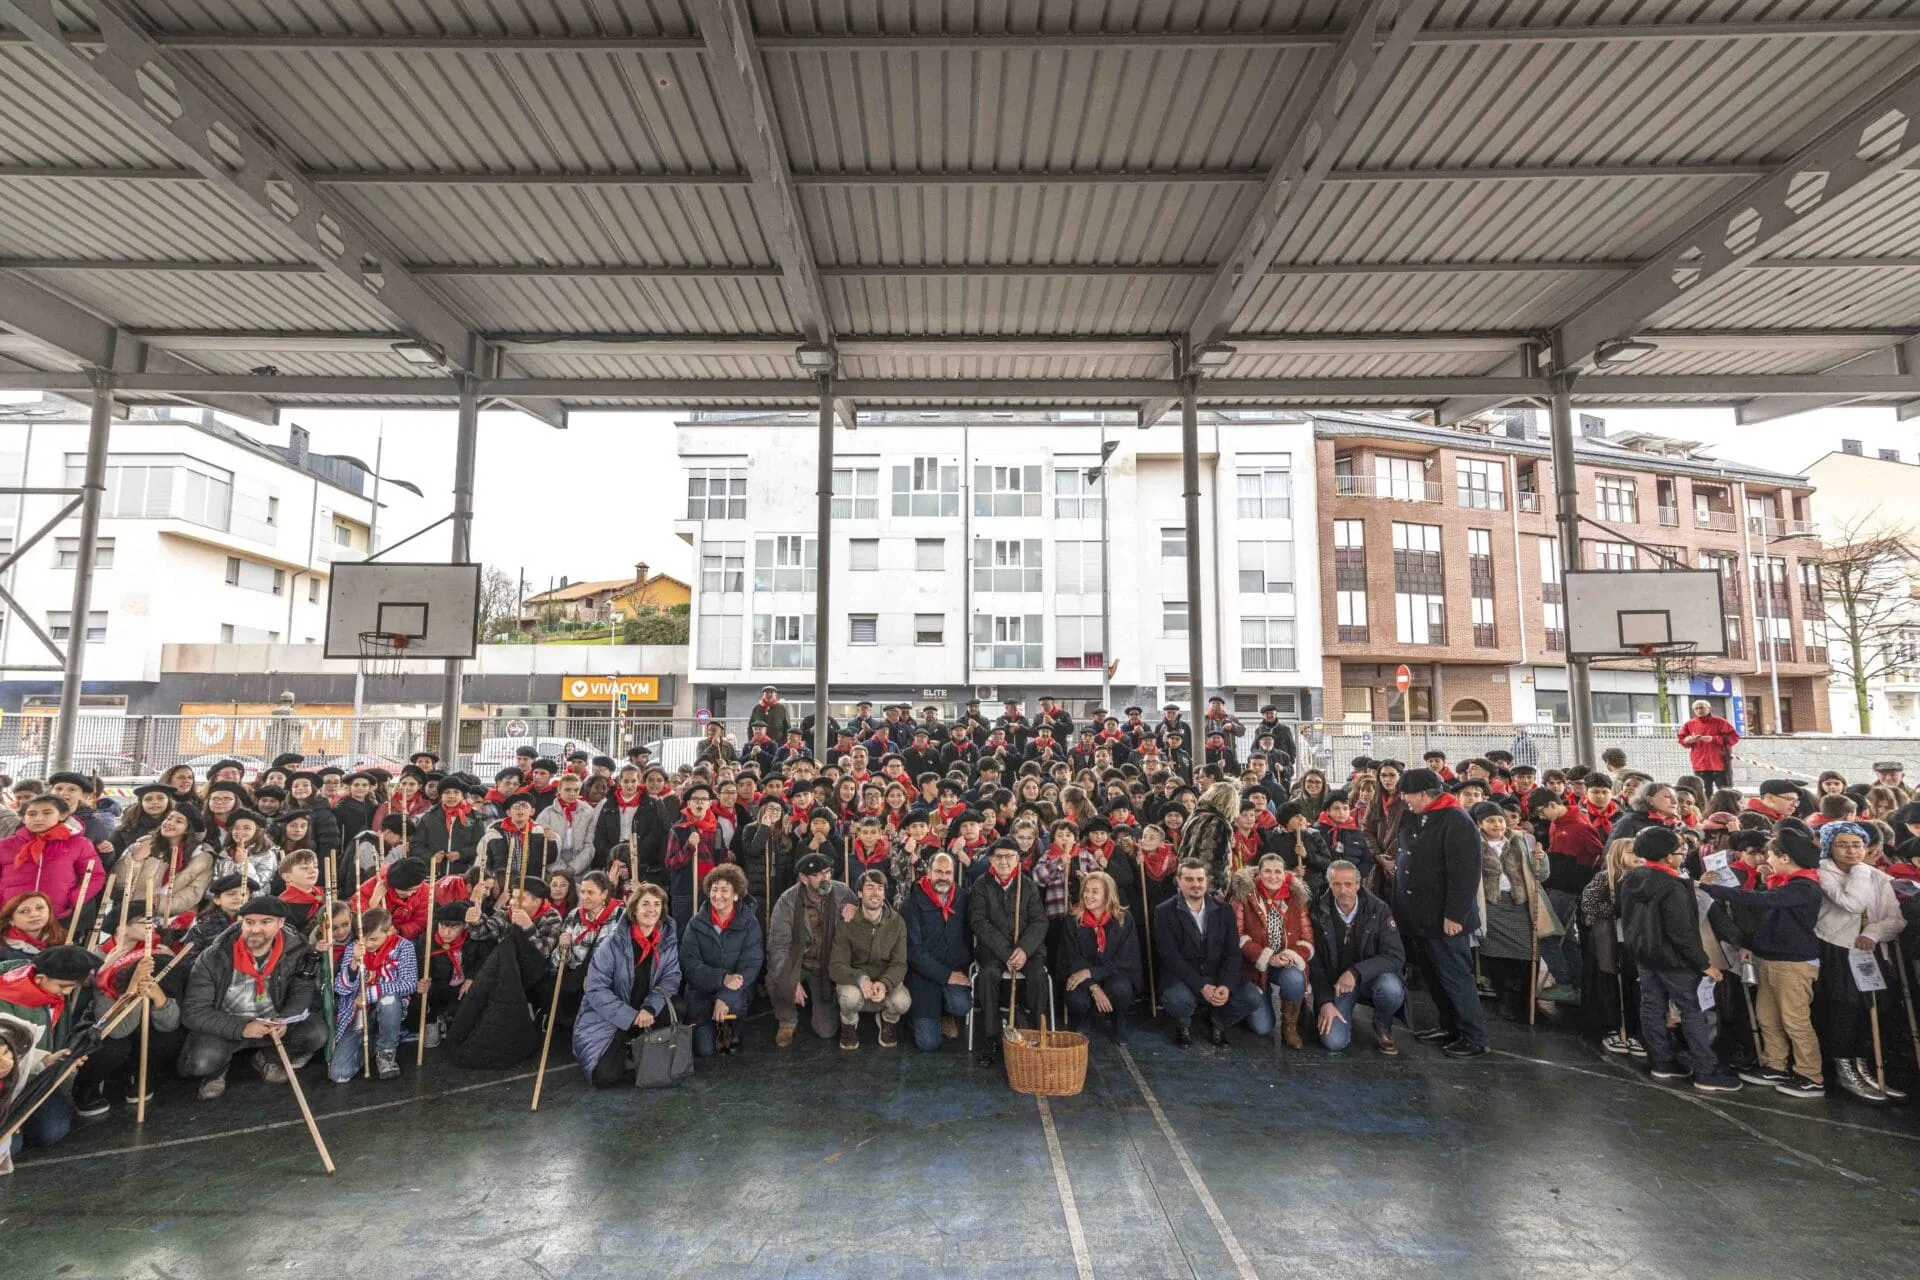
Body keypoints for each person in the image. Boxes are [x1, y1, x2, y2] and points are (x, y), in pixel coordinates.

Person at [1700, 822, 1827, 1097]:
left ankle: (1810, 1074)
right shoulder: (1783, 883)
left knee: (1795, 1020)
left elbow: (1758, 901)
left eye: (1770, 854)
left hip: (1794, 963)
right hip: (1769, 958)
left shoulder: (1805, 886)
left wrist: (1709, 889)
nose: (1766, 859)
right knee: (1767, 1017)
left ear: (1785, 858)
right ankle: (1775, 1064)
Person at [1618, 827, 1742, 1092]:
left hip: (1644, 956)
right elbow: (1681, 932)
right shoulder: (1673, 886)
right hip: (1675, 961)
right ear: (1666, 856)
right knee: (1692, 1010)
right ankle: (1706, 1072)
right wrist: (1704, 964)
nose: (1683, 855)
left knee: (1652, 1006)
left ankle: (1661, 1062)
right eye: (1679, 852)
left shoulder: (1632, 878)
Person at [178, 896, 328, 1100]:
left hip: (272, 1024)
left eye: (265, 922)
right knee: (202, 1062)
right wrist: (242, 1027)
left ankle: (267, 1058)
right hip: (228, 1025)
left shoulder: (296, 950)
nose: (255, 929)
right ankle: (218, 1070)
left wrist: (285, 1018)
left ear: (280, 923)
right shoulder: (214, 956)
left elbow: (302, 988)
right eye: (249, 922)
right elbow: (193, 1012)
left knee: (316, 1032)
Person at [1392, 768, 1488, 1059]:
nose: (1404, 800)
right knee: (1433, 976)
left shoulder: (1456, 820)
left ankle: (1473, 1036)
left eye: (1407, 794)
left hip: (1444, 918)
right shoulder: (1416, 816)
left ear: (1423, 794)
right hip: (1419, 915)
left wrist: (1455, 915)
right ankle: (1449, 1026)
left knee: (1455, 976)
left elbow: (1465, 873)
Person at [1813, 821, 1906, 1102]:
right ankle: (1843, 1069)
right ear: (1829, 847)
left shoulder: (1879, 877)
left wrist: (1873, 933)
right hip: (1837, 949)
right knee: (1843, 1010)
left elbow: (1896, 918)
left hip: (1869, 950)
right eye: (1842, 845)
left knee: (1870, 1009)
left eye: (1857, 845)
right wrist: (1861, 871)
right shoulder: (1823, 873)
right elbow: (1852, 903)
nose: (1852, 851)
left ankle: (1864, 1067)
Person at [573, 883, 681, 1087]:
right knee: (603, 1077)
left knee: (679, 1005)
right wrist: (631, 1017)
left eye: (657, 904)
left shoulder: (667, 941)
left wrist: (650, 1007)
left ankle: (648, 1048)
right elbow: (596, 990)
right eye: (645, 904)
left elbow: (671, 978)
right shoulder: (611, 944)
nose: (652, 909)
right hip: (612, 1015)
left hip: (646, 1010)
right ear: (634, 910)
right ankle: (628, 1048)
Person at [1155, 858, 1263, 1047]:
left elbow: (1232, 953)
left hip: (1217, 973)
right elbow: (1171, 957)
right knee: (1176, 999)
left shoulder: (1225, 910)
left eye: (1200, 879)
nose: (1196, 884)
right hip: (1183, 976)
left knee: (1252, 997)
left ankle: (1218, 1023)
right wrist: (1201, 986)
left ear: (1206, 881)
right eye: (1189, 879)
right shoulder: (1164, 912)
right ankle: (1183, 1026)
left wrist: (1226, 985)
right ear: (1178, 881)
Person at [1474, 801, 1562, 1021]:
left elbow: (1541, 875)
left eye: (1500, 820)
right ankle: (1505, 1001)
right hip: (1491, 906)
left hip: (1519, 904)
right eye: (1491, 821)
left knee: (1529, 954)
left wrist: (1542, 860)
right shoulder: (1472, 843)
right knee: (1495, 955)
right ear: (1480, 824)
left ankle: (1528, 1002)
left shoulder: (1521, 840)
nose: (1497, 824)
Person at [1309, 859, 1406, 1054]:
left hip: (1371, 979)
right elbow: (1314, 962)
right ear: (1329, 885)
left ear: (1358, 885)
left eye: (1348, 884)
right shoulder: (1317, 912)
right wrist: (1325, 1002)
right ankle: (1340, 1011)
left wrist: (1355, 972)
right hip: (1336, 985)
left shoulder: (1379, 909)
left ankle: (1383, 1026)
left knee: (1391, 988)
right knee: (1333, 1042)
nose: (1343, 890)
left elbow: (1395, 956)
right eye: (1337, 884)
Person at [967, 841, 1049, 1065]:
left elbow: (1039, 921)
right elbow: (979, 922)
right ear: (991, 860)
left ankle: (1037, 1034)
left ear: (1017, 859)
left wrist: (1023, 949)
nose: (1004, 861)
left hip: (1027, 951)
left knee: (1038, 975)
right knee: (988, 976)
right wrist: (1006, 953)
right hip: (993, 951)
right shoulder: (981, 885)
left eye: (1009, 856)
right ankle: (991, 1037)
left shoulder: (1028, 885)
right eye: (999, 856)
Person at [766, 852, 857, 1047]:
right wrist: (791, 980)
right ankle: (787, 1021)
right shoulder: (787, 900)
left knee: (826, 1031)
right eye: (819, 874)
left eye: (828, 872)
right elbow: (778, 946)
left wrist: (854, 906)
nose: (826, 877)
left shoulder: (842, 892)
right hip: (797, 962)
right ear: (804, 878)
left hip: (826, 966)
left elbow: (865, 905)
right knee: (776, 978)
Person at [680, 865, 762, 1058]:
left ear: (736, 894)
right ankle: (711, 1025)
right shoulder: (695, 923)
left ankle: (734, 1029)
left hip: (736, 990)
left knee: (735, 1007)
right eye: (714, 889)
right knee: (704, 1050)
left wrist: (725, 996)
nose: (718, 895)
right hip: (702, 990)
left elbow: (751, 965)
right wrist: (722, 978)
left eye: (725, 890)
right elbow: (689, 964)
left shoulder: (750, 923)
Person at [1231, 854, 1313, 1047]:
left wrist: (1290, 956)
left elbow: (1307, 939)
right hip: (1253, 966)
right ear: (1259, 873)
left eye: (1278, 872)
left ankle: (1290, 1027)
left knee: (1295, 978)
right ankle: (1252, 1000)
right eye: (1268, 871)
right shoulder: (1244, 896)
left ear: (1285, 874)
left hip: (1283, 962)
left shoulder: (1296, 898)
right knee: (1262, 1027)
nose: (1273, 876)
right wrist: (1264, 956)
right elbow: (1237, 935)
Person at [330, 906, 418, 1082]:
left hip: (391, 1010)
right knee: (339, 1074)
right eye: (362, 938)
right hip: (358, 1015)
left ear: (390, 931)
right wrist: (354, 961)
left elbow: (409, 984)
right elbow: (341, 989)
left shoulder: (404, 947)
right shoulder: (354, 949)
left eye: (374, 939)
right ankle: (374, 1042)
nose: (367, 944)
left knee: (388, 999)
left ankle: (386, 1052)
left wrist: (370, 993)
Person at [830, 869, 911, 1049]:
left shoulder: (897, 923)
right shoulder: (847, 924)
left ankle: (888, 1021)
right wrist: (861, 979)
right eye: (870, 887)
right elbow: (837, 966)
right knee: (849, 998)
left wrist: (885, 983)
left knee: (902, 1001)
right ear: (859, 893)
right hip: (855, 983)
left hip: (883, 982)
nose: (876, 893)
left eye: (880, 888)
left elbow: (899, 964)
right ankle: (849, 1024)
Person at [0, 794, 104, 929]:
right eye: (31, 814)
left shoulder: (79, 844)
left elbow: (95, 875)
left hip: (56, 916)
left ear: (62, 815)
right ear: (23, 818)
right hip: (12, 914)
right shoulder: (6, 845)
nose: (38, 818)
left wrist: (73, 898)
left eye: (47, 813)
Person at [902, 851, 972, 1052]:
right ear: (929, 872)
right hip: (922, 977)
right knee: (928, 1044)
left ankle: (946, 1014)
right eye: (938, 872)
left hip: (954, 971)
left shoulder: (963, 899)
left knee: (961, 1005)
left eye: (948, 873)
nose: (943, 877)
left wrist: (960, 968)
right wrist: (945, 975)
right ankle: (913, 1018)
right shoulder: (912, 903)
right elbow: (912, 951)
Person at [1060, 869, 1141, 1041]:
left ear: (1107, 895)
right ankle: (1082, 1022)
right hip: (1082, 976)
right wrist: (1093, 986)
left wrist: (1092, 972)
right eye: (1086, 891)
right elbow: (1071, 957)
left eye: (1095, 892)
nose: (1088, 896)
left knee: (1121, 989)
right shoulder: (1073, 919)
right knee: (1076, 998)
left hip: (1114, 973)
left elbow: (1125, 960)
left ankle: (1119, 1020)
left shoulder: (1123, 919)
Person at [1676, 701, 1739, 792]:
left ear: (1709, 709)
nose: (1699, 710)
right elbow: (1681, 739)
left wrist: (1713, 739)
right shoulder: (1689, 724)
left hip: (1720, 763)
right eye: (1696, 708)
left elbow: (1734, 737)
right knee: (1703, 792)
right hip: (1700, 764)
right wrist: (1687, 740)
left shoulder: (1720, 722)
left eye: (1701, 707)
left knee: (1726, 791)